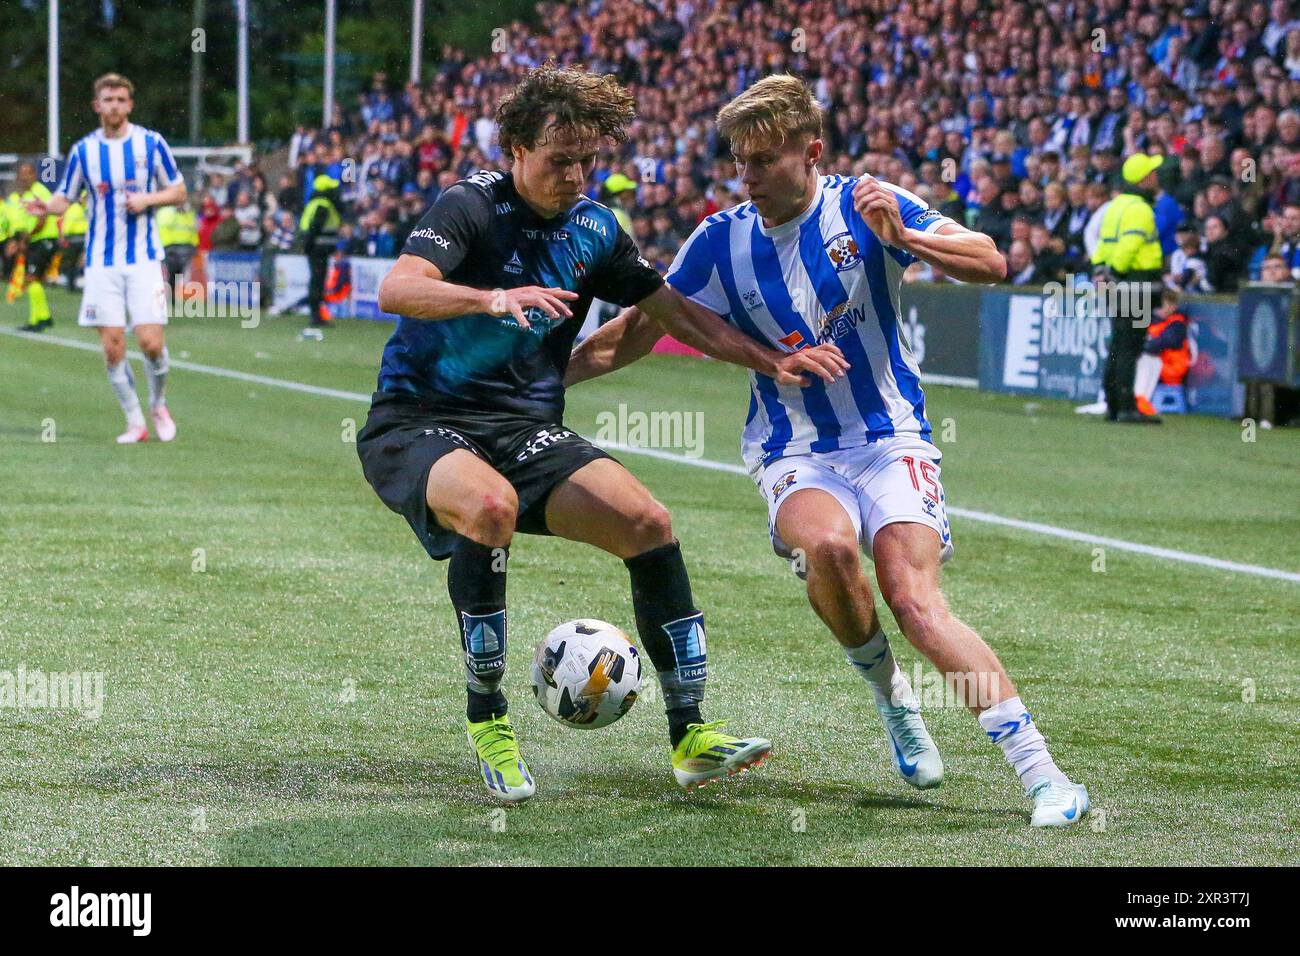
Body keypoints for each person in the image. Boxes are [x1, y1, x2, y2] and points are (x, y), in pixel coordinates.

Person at [568, 75, 1090, 828]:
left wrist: (904, 240)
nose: (745, 176)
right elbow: (644, 326)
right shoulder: (721, 237)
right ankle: (893, 700)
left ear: (810, 152)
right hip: (794, 449)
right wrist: (546, 379)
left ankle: (1046, 778)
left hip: (890, 438)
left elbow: (990, 261)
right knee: (830, 549)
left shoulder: (865, 202)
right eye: (738, 161)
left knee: (913, 601)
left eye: (762, 161)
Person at [356, 65, 846, 803]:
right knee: (488, 510)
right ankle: (488, 719)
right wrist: (495, 298)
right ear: (516, 148)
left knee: (648, 522)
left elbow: (680, 316)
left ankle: (691, 736)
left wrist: (775, 361)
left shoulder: (595, 229)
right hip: (419, 421)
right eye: (561, 160)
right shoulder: (469, 206)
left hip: (524, 430)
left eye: (588, 160)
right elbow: (398, 286)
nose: (577, 175)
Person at [27, 73, 186, 443]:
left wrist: (147, 199)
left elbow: (178, 190)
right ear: (97, 105)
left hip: (144, 258)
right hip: (101, 261)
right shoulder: (84, 150)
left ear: (129, 105)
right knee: (113, 345)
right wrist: (46, 208)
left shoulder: (151, 143)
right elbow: (66, 196)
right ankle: (134, 420)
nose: (114, 105)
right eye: (107, 99)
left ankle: (158, 403)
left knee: (150, 342)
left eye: (120, 99)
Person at [1092, 153, 1165, 424]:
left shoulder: (1115, 206)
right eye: (1152, 172)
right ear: (1143, 179)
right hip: (1137, 283)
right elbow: (1129, 246)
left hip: (1117, 285)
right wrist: (1117, 271)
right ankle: (1126, 407)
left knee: (1118, 344)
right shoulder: (1141, 209)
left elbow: (1104, 244)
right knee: (1129, 347)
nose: (1156, 176)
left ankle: (1113, 403)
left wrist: (1101, 270)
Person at [10, 161, 60, 332]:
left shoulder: (39, 191)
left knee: (31, 278)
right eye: (22, 174)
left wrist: (26, 239)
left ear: (35, 175)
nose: (24, 177)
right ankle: (44, 317)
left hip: (44, 238)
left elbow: (42, 219)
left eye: (28, 173)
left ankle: (36, 320)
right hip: (35, 239)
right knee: (33, 280)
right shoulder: (25, 194)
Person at [1133, 288, 1193, 418]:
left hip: (1173, 368)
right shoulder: (1155, 319)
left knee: (1146, 357)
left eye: (1163, 305)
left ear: (1173, 306)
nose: (1160, 309)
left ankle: (1140, 400)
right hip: (1161, 364)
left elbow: (1165, 342)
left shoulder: (1178, 322)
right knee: (1139, 357)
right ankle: (1137, 400)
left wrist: (1142, 347)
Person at [299, 174, 342, 327]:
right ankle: (316, 317)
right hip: (319, 250)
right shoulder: (323, 204)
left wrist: (305, 246)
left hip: (316, 249)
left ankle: (316, 315)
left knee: (316, 281)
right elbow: (315, 228)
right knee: (317, 281)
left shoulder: (314, 203)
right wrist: (309, 245)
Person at [156, 199, 199, 300]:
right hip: (170, 248)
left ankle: (173, 297)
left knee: (178, 274)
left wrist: (194, 246)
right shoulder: (167, 213)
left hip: (184, 248)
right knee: (170, 273)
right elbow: (163, 230)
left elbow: (192, 231)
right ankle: (167, 296)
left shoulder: (189, 214)